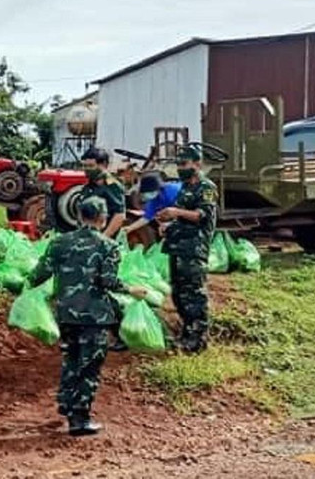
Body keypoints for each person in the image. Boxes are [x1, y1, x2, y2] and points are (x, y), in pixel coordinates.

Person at [27, 197, 149, 436]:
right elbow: (108, 281)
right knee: (89, 366)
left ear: (79, 216)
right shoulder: (108, 246)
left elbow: (40, 273)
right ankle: (79, 419)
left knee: (71, 359)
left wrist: (27, 289)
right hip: (94, 316)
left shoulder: (60, 242)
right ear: (103, 218)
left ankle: (66, 402)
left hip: (66, 313)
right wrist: (131, 290)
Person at [156, 144, 218, 353]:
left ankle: (198, 339)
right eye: (178, 164)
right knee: (179, 293)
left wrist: (176, 213)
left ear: (197, 164)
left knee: (194, 294)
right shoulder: (185, 187)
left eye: (184, 164)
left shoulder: (206, 187)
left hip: (193, 249)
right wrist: (168, 224)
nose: (180, 168)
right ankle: (186, 332)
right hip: (177, 247)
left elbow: (202, 215)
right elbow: (182, 216)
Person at [79, 147, 127, 238]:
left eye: (91, 166)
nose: (87, 169)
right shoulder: (89, 186)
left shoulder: (112, 185)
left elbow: (119, 215)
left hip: (105, 237)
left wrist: (103, 238)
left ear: (103, 165)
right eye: (84, 166)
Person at [122, 171, 181, 242]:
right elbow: (147, 218)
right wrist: (130, 228)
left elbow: (182, 211)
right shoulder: (153, 200)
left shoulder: (173, 191)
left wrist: (171, 224)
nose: (146, 196)